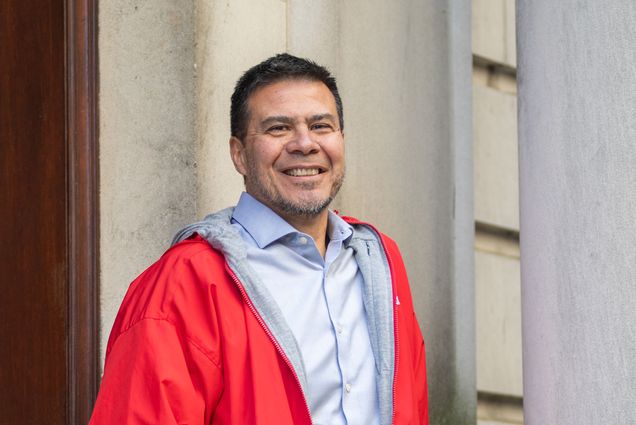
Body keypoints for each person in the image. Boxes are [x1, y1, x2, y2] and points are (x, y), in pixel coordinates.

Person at [90, 53, 428, 425]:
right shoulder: (182, 285)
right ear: (239, 155)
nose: (304, 143)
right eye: (278, 128)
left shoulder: (380, 262)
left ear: (341, 141)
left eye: (321, 125)